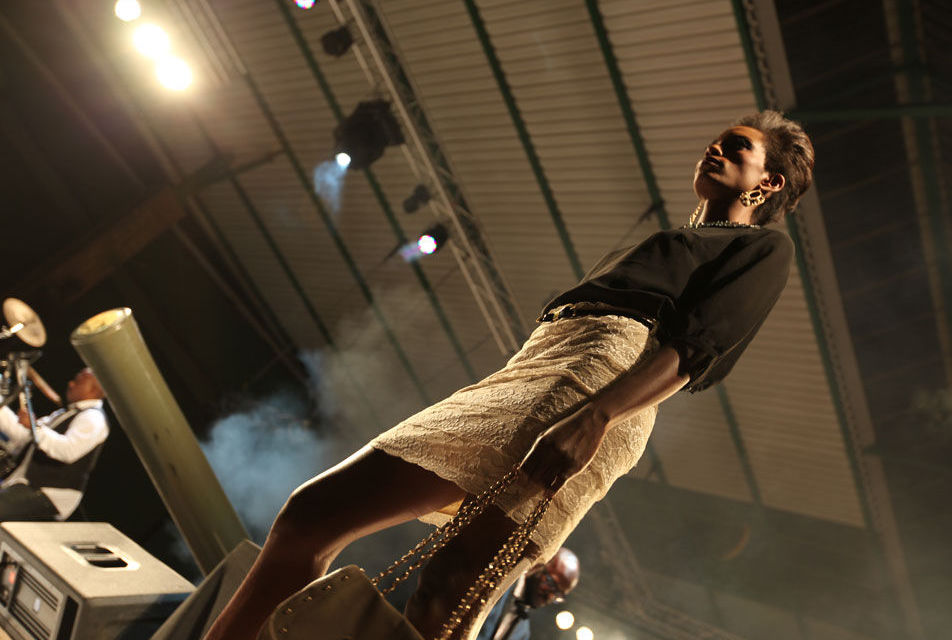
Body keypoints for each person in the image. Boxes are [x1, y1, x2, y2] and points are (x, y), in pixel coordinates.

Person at [203, 110, 815, 640]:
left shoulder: (764, 249)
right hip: (536, 366)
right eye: (718, 139)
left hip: (598, 383)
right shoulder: (674, 238)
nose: (715, 147)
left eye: (737, 147)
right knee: (311, 515)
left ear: (770, 182)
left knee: (449, 590)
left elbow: (693, 349)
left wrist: (596, 417)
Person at [0, 368, 108, 531]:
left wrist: (35, 427)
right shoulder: (68, 413)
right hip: (27, 483)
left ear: (95, 389)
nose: (70, 383)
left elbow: (68, 451)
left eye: (78, 381)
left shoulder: (93, 418)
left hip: (50, 494)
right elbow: (25, 436)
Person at [477, 547, 580, 640]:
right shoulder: (500, 581)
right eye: (551, 584)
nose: (550, 596)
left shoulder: (523, 633)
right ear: (538, 566)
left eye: (558, 594)